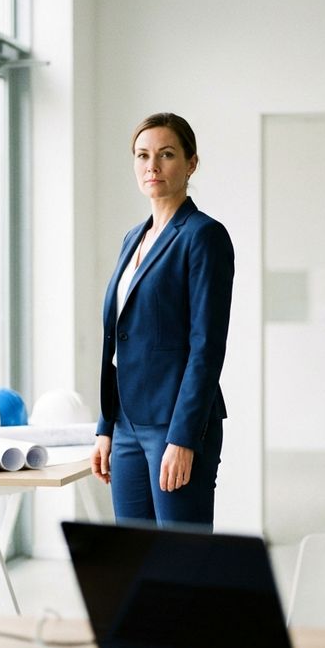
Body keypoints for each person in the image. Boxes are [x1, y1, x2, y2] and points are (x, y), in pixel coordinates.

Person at [90, 112, 235, 530]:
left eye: (166, 154)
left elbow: (206, 346)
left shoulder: (203, 236)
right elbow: (119, 342)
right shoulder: (132, 238)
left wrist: (183, 437)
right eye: (142, 155)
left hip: (175, 425)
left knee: (180, 562)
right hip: (127, 424)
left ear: (191, 163)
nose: (152, 165)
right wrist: (106, 425)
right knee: (135, 560)